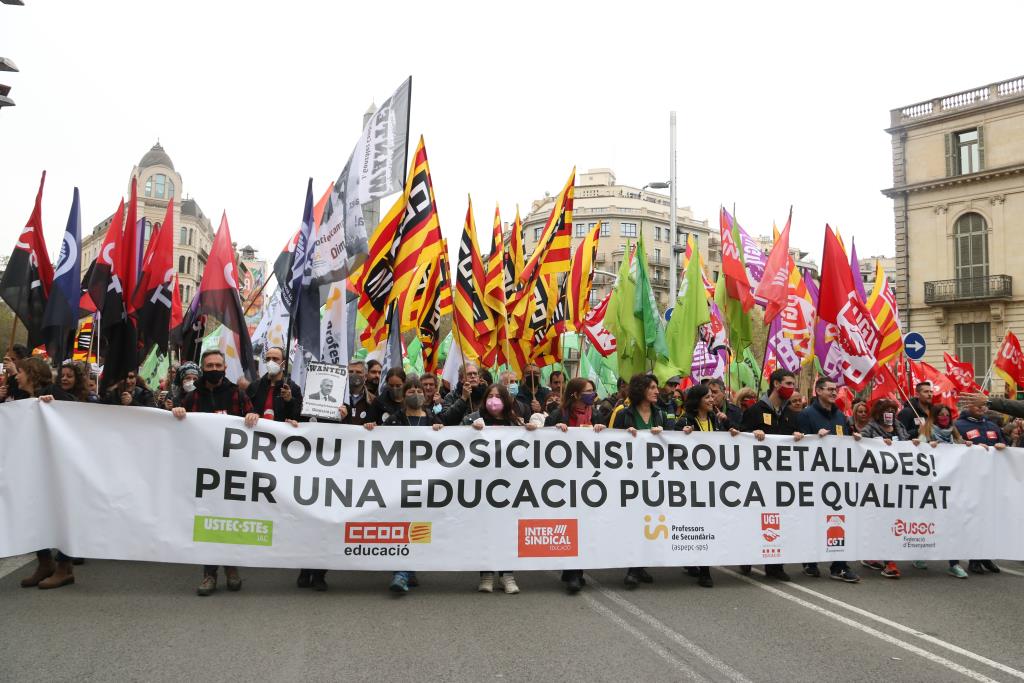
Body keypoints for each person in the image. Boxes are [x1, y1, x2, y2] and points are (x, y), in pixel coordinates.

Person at [172, 350, 255, 596]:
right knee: (207, 520)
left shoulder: (237, 395)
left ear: (225, 368)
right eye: (209, 365)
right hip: (204, 470)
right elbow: (178, 428)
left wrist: (253, 415)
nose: (214, 368)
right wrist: (177, 414)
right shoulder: (191, 397)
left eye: (219, 364)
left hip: (232, 470)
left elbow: (254, 422)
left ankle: (231, 568)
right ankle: (209, 574)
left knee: (229, 519)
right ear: (203, 368)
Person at [361, 378, 445, 594]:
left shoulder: (432, 420)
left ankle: (407, 570)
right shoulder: (395, 421)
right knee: (402, 524)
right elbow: (380, 443)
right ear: (404, 395)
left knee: (418, 526)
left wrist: (440, 430)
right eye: (411, 390)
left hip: (425, 484)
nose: (415, 393)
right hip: (398, 483)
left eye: (419, 390)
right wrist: (371, 428)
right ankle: (402, 572)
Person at [465, 382, 537, 594]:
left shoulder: (515, 423)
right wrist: (470, 429)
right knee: (485, 530)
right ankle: (486, 573)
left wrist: (531, 431)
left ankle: (507, 574)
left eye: (498, 395)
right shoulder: (474, 420)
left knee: (507, 530)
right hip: (482, 486)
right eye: (490, 395)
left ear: (506, 400)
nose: (493, 399)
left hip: (509, 487)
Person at [14, 356, 78, 589]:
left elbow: (73, 413)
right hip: (34, 465)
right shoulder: (22, 398)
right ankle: (45, 562)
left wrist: (55, 404)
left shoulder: (53, 391)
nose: (15, 376)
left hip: (57, 466)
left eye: (19, 371)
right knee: (33, 511)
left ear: (30, 373)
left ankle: (64, 567)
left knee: (61, 513)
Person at [740, 369, 805, 581]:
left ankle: (775, 565)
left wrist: (798, 438)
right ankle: (746, 556)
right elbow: (740, 440)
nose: (791, 387)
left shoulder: (791, 414)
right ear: (776, 384)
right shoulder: (756, 410)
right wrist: (752, 435)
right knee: (754, 519)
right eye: (787, 383)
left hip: (782, 478)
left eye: (793, 383)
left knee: (779, 520)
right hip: (758, 478)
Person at [674, 383, 739, 588]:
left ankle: (704, 567)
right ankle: (697, 564)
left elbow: (732, 438)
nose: (712, 400)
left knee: (708, 522)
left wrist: (728, 424)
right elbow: (671, 443)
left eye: (713, 397)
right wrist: (680, 433)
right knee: (694, 522)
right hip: (690, 483)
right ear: (697, 401)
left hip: (712, 482)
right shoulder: (685, 420)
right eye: (707, 397)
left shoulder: (715, 420)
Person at [797, 377, 862, 583]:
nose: (834, 393)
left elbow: (845, 441)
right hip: (814, 478)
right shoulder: (806, 414)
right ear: (818, 391)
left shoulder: (841, 416)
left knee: (838, 520)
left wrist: (855, 439)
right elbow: (798, 442)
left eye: (836, 390)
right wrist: (813, 437)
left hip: (837, 479)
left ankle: (839, 565)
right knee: (813, 520)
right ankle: (810, 560)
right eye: (830, 389)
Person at [545, 378, 606, 594]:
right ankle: (571, 571)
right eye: (588, 391)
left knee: (584, 525)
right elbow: (542, 443)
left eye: (593, 390)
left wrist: (602, 430)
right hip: (563, 480)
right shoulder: (558, 415)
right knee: (569, 524)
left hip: (588, 479)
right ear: (575, 394)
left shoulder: (597, 414)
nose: (592, 394)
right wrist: (554, 430)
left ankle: (576, 571)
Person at [612, 374, 666, 588]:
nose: (656, 391)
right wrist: (625, 435)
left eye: (656, 387)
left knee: (648, 521)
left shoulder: (660, 415)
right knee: (633, 522)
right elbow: (611, 443)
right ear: (641, 390)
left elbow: (670, 441)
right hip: (630, 477)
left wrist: (663, 434)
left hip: (653, 477)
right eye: (652, 387)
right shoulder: (624, 414)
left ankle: (640, 565)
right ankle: (633, 568)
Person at [858, 399, 920, 579]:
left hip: (897, 482)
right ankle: (889, 562)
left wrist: (916, 442)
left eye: (893, 409)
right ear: (879, 412)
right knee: (881, 521)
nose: (891, 413)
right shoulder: (871, 427)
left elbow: (907, 443)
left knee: (891, 522)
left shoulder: (899, 426)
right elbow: (861, 442)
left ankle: (877, 556)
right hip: (876, 484)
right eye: (887, 409)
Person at [953, 399, 1006, 576]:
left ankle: (985, 555)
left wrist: (1003, 446)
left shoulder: (992, 426)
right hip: (969, 480)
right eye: (977, 405)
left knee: (990, 518)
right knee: (973, 518)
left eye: (983, 405)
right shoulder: (959, 425)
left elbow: (1004, 446)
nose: (982, 408)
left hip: (991, 479)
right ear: (968, 406)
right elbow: (952, 449)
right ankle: (973, 559)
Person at [246, 346, 302, 425]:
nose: (270, 362)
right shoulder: (255, 386)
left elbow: (298, 417)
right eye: (268, 359)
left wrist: (289, 400)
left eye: (275, 359)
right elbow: (244, 410)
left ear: (284, 364)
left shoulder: (293, 389)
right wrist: (251, 414)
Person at [341, 360, 374, 425]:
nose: (354, 374)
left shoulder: (373, 400)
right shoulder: (337, 397)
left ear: (365, 377)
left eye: (358, 372)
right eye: (350, 371)